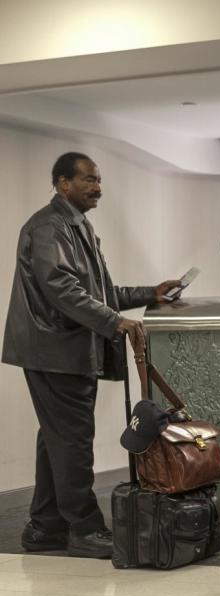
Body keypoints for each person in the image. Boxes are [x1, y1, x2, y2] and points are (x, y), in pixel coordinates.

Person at [2, 152, 181, 559]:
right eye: (88, 180)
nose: (97, 187)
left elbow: (99, 294)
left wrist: (149, 294)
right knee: (74, 441)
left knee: (58, 440)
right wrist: (114, 322)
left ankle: (45, 528)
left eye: (99, 180)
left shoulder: (78, 226)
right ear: (63, 183)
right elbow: (60, 287)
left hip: (61, 350)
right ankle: (84, 529)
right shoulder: (50, 226)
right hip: (54, 350)